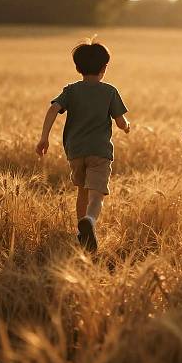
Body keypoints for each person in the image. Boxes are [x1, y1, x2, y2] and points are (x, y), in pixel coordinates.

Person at [36, 41, 130, 252]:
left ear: (78, 68)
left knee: (81, 191)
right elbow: (121, 121)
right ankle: (89, 220)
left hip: (75, 151)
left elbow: (53, 109)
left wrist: (44, 137)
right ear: (104, 68)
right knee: (96, 195)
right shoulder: (109, 91)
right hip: (100, 151)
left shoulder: (71, 91)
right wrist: (126, 127)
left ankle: (82, 234)